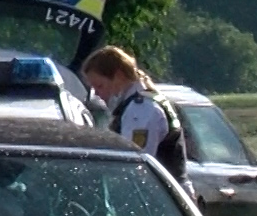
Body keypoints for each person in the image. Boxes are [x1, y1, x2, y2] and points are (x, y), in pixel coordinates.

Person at [80, 46, 188, 185]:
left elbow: (134, 165)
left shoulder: (140, 110)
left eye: (100, 86)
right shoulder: (146, 100)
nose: (98, 94)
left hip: (158, 196)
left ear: (119, 76)